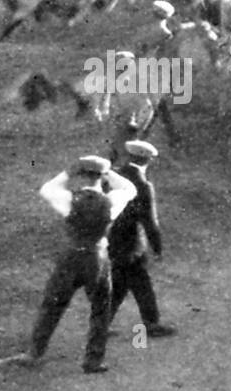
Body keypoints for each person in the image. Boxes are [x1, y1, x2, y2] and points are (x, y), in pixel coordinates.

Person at [20, 156, 138, 374]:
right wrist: (109, 172)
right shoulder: (111, 201)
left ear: (81, 174)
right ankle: (93, 360)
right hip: (97, 258)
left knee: (52, 304)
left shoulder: (68, 199)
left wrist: (68, 172)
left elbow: (47, 189)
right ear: (101, 178)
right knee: (101, 309)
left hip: (71, 256)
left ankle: (34, 352)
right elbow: (130, 188)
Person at [108, 141, 176, 338]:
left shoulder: (114, 176)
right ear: (147, 159)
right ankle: (150, 324)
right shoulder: (143, 185)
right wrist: (158, 248)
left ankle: (102, 323)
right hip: (132, 243)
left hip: (112, 240)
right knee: (139, 282)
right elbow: (150, 222)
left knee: (122, 284)